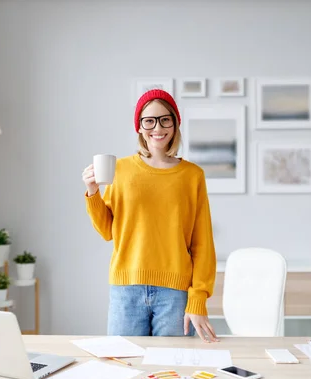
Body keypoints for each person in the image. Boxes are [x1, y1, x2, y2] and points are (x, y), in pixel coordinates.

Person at [81, 89, 218, 342]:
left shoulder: (192, 176)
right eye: (149, 120)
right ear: (140, 127)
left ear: (175, 123)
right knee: (124, 367)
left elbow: (203, 244)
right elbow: (107, 231)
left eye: (165, 119)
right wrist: (93, 193)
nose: (158, 127)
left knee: (173, 371)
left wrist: (198, 298)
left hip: (175, 294)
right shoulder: (119, 170)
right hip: (126, 289)